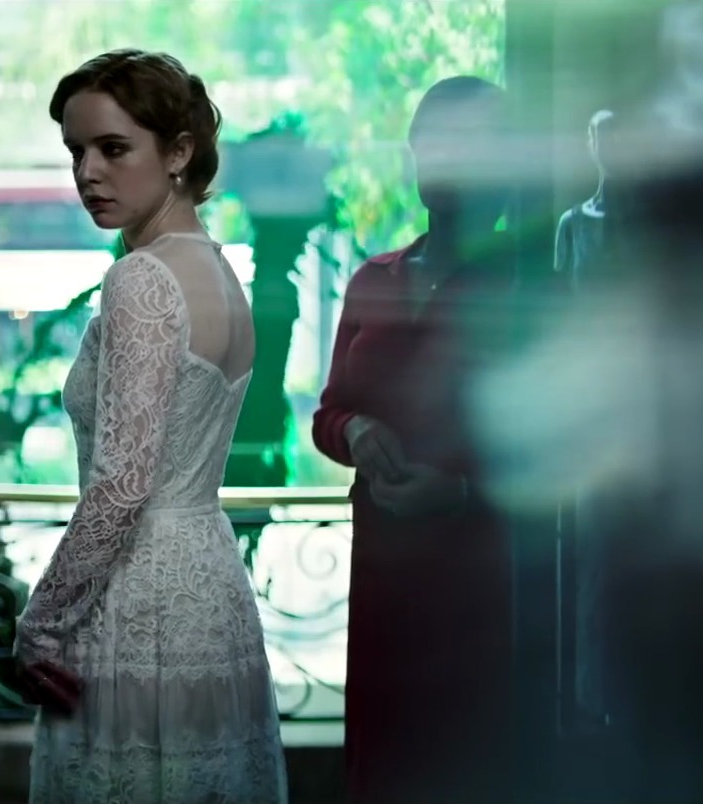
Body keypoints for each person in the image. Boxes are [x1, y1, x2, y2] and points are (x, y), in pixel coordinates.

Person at [12, 49, 288, 803]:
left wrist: (41, 622)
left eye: (113, 148)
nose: (87, 173)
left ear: (178, 153)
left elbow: (123, 486)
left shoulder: (141, 278)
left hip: (139, 598)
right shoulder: (221, 273)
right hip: (209, 588)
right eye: (75, 152)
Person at [311, 76, 516, 803]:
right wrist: (356, 429)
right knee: (384, 761)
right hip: (384, 573)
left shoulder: (526, 285)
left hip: (481, 583)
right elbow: (327, 413)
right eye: (428, 144)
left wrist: (459, 490)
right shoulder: (375, 278)